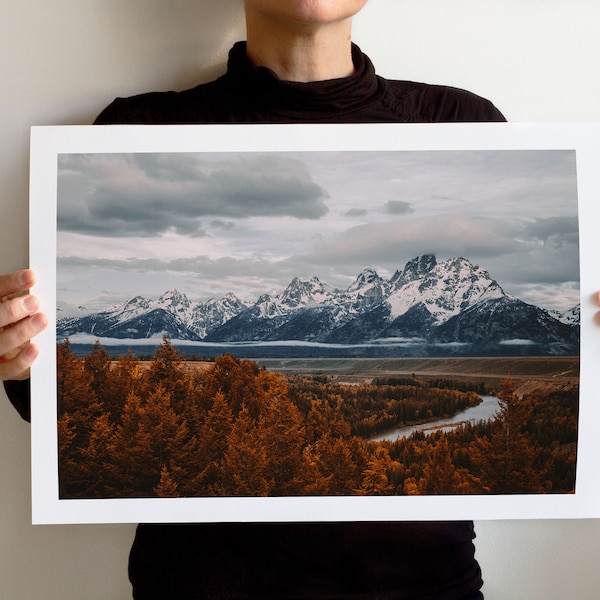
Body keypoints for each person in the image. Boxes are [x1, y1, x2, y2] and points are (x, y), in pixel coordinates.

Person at [1, 1, 533, 598]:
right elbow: (67, 416)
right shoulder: (135, 129)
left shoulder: (460, 123)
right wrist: (23, 363)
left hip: (423, 584)